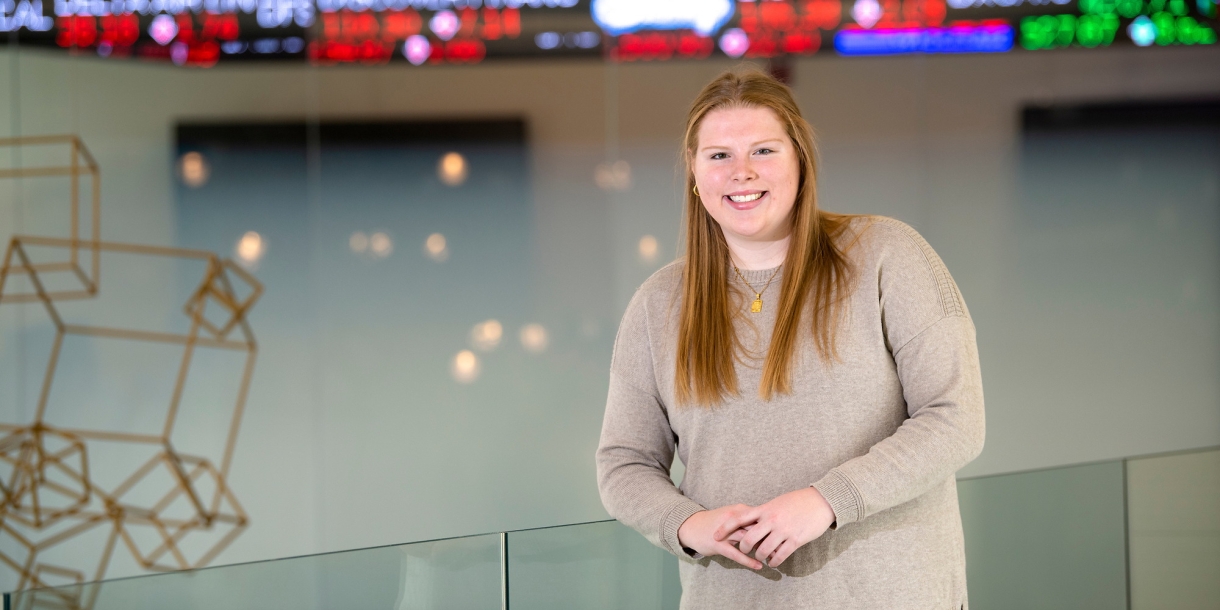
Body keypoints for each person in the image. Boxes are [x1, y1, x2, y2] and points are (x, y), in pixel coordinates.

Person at [595, 67, 985, 609]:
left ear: (800, 158)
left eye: (763, 151)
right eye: (719, 156)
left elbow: (954, 418)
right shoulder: (658, 303)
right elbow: (624, 463)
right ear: (693, 171)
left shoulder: (886, 255)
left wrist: (827, 501)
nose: (741, 172)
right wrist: (687, 524)